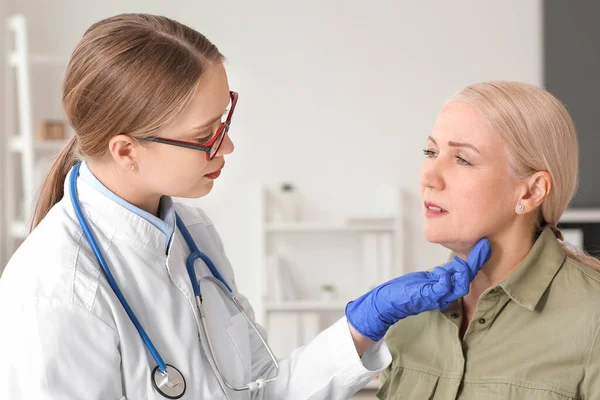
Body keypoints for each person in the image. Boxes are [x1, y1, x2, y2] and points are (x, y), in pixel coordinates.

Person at [0, 14, 490, 400]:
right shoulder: (54, 293)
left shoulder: (191, 231)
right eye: (204, 136)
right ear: (126, 150)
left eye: (225, 118)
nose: (228, 146)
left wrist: (362, 328)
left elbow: (260, 391)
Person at [377, 81, 600, 399]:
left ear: (530, 191)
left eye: (462, 159)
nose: (428, 176)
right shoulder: (409, 317)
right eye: (431, 152)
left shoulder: (593, 319)